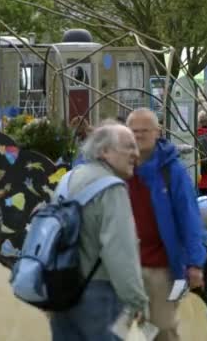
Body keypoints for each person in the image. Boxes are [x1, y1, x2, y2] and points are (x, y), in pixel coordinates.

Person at [47, 121, 148, 340]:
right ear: (104, 152)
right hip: (100, 296)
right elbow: (120, 251)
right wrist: (137, 301)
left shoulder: (68, 179)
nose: (136, 153)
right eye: (128, 146)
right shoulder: (112, 188)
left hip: (61, 291)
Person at [126, 108, 207, 341]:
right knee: (122, 328)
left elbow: (189, 218)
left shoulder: (172, 172)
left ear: (157, 132)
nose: (139, 135)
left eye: (145, 130)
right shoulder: (118, 167)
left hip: (163, 268)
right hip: (123, 267)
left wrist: (195, 263)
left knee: (163, 327)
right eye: (134, 131)